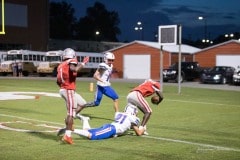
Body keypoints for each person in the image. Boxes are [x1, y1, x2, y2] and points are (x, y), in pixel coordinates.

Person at [56, 48, 89, 145]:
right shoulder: (71, 61)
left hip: (64, 89)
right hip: (68, 90)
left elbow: (57, 80)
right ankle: (68, 135)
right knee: (70, 112)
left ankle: (68, 121)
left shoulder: (60, 65)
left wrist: (63, 86)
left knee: (83, 103)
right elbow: (73, 69)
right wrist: (82, 64)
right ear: (72, 55)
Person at [72, 104, 145, 140]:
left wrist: (116, 102)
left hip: (110, 127)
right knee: (91, 136)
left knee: (87, 131)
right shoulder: (133, 118)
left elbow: (117, 111)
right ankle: (70, 129)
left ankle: (85, 120)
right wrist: (143, 128)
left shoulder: (120, 114)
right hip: (112, 129)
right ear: (133, 112)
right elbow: (138, 133)